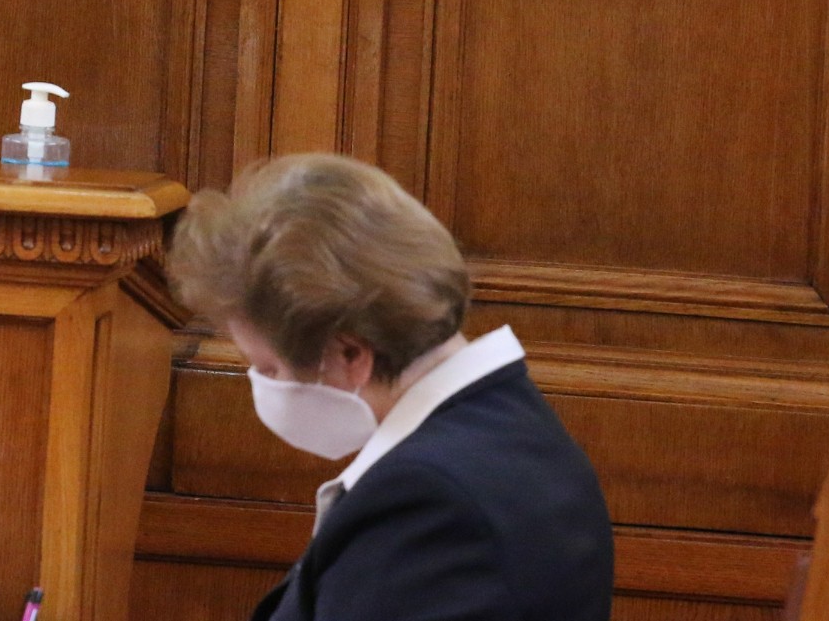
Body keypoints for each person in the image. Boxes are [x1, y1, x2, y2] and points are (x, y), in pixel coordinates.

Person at [170, 154, 613, 621]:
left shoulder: (430, 500)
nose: (263, 384)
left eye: (268, 366)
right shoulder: (512, 424)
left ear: (350, 354)